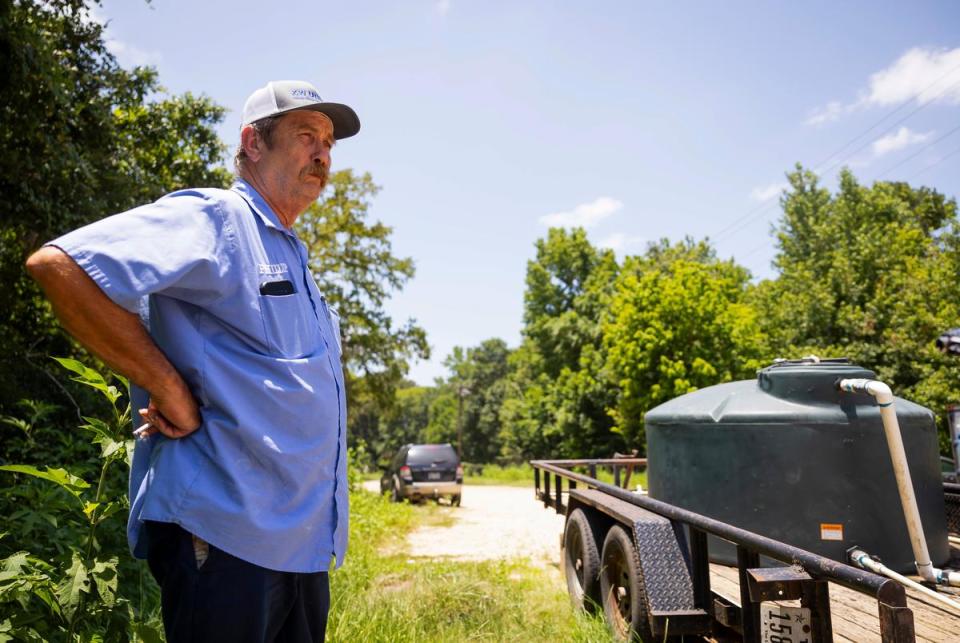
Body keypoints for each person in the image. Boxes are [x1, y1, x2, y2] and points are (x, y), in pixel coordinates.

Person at [26, 80, 360, 642]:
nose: (323, 154)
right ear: (253, 143)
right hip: (227, 537)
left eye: (328, 142)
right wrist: (166, 386)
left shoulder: (289, 251)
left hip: (298, 547)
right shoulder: (219, 218)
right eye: (306, 136)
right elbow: (62, 267)